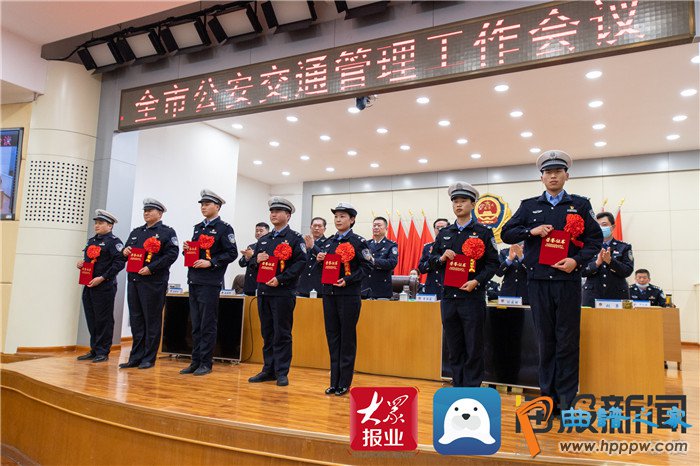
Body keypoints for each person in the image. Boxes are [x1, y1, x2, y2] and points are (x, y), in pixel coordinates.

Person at [502, 150, 602, 412]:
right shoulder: (529, 206)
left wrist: (576, 261)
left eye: (558, 171)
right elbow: (506, 234)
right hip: (538, 282)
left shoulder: (580, 205)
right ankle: (548, 398)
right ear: (542, 178)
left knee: (567, 341)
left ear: (567, 175)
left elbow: (595, 240)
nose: (553, 176)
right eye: (548, 172)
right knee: (545, 342)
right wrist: (531, 231)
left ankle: (566, 401)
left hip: (567, 281)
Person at [428, 182, 499, 387]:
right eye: (455, 202)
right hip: (449, 297)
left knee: (473, 345)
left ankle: (472, 387)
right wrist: (441, 258)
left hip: (472, 297)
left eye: (463, 201)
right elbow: (429, 262)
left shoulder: (483, 232)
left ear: (473, 204)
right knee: (454, 345)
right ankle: (458, 385)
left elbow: (493, 263)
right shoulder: (444, 233)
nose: (458, 205)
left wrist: (476, 281)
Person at [247, 197, 306, 387]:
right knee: (267, 332)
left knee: (282, 333)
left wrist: (281, 279)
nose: (273, 214)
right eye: (271, 211)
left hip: (283, 292)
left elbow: (300, 263)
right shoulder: (264, 239)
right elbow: (252, 265)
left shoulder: (295, 238)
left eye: (278, 211)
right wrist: (256, 259)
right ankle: (268, 369)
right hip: (264, 292)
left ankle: (281, 372)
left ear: (288, 215)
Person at [180, 189, 237, 376]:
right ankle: (195, 361)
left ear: (217, 207)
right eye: (202, 205)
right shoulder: (198, 227)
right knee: (195, 323)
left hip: (210, 281)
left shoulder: (224, 228)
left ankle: (206, 362)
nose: (203, 207)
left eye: (207, 204)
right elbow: (197, 253)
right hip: (194, 279)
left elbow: (231, 253)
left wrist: (211, 262)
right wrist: (187, 250)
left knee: (207, 324)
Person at [317, 202, 372, 396]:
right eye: (336, 216)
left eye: (342, 216)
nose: (338, 220)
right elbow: (325, 269)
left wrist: (348, 280)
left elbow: (367, 267)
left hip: (348, 296)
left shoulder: (358, 242)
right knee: (333, 337)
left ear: (352, 219)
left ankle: (344, 383)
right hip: (329, 295)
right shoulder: (329, 242)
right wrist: (319, 260)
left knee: (347, 338)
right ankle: (334, 381)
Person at [120, 198, 179, 369]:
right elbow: (124, 254)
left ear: (159, 214)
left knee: (151, 320)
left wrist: (151, 268)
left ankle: (149, 358)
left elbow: (172, 255)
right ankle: (135, 357)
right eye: (145, 211)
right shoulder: (136, 232)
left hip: (153, 282)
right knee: (136, 319)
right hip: (134, 280)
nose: (146, 213)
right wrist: (124, 252)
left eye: (150, 210)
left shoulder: (167, 232)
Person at [75, 209, 127, 362]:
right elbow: (90, 261)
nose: (97, 226)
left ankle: (103, 351)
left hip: (105, 286)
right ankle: (95, 349)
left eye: (100, 223)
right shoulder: (92, 241)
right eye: (96, 223)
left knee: (103, 320)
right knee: (92, 318)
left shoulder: (114, 242)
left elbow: (119, 263)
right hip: (89, 285)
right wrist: (81, 264)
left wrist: (103, 277)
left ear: (110, 226)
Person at [581, 212, 634, 307]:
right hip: (592, 295)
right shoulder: (588, 247)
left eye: (604, 224)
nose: (601, 227)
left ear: (613, 227)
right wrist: (596, 264)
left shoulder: (624, 247)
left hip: (617, 295)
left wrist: (611, 261)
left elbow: (628, 270)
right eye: (598, 225)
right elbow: (581, 271)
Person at [361, 216, 398, 299]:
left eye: (379, 225)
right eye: (374, 225)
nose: (376, 227)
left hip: (381, 289)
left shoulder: (391, 245)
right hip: (365, 289)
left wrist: (373, 260)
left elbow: (392, 263)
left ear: (386, 228)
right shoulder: (366, 244)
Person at [417, 218, 449, 298]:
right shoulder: (428, 247)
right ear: (434, 230)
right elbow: (421, 268)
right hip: (432, 287)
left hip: (447, 286)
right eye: (437, 228)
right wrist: (434, 261)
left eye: (443, 227)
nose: (440, 230)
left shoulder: (453, 246)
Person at [297, 217, 329, 297]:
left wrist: (312, 246)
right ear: (310, 227)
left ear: (324, 229)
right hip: (303, 285)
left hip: (319, 286)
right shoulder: (303, 242)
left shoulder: (329, 242)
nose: (316, 228)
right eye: (314, 226)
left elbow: (325, 258)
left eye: (319, 226)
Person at [238, 222, 270, 296]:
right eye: (256, 231)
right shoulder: (251, 246)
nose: (258, 233)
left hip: (261, 285)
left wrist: (252, 255)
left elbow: (267, 265)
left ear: (268, 232)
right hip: (249, 284)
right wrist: (247, 257)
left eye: (261, 231)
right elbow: (241, 264)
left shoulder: (270, 246)